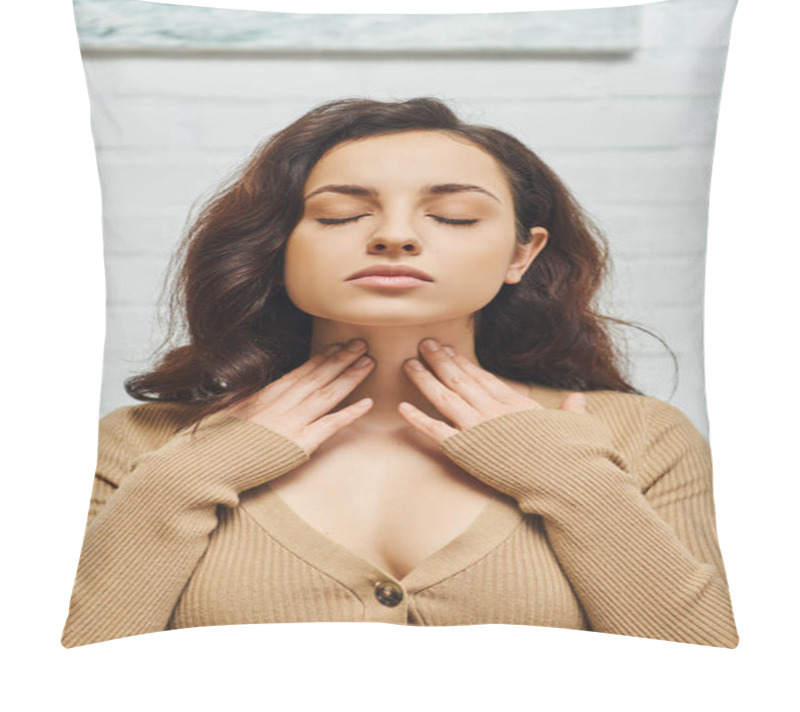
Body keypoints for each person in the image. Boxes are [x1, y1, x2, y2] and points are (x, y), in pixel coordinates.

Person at [61, 97, 739, 649]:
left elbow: (714, 674)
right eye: (341, 214)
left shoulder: (643, 438)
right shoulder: (140, 444)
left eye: (453, 215)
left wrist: (569, 481)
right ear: (276, 245)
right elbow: (59, 676)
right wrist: (191, 476)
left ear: (521, 254)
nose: (395, 236)